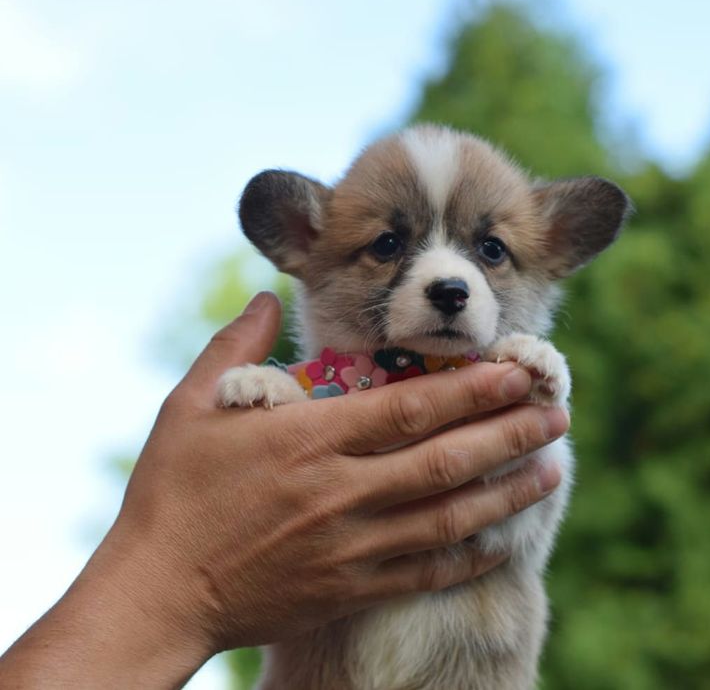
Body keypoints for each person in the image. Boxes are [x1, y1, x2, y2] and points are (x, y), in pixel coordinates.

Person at [0, 292, 568, 688]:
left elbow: (522, 512)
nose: (446, 276)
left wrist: (526, 407)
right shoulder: (322, 389)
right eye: (389, 242)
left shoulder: (509, 378)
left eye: (491, 250)